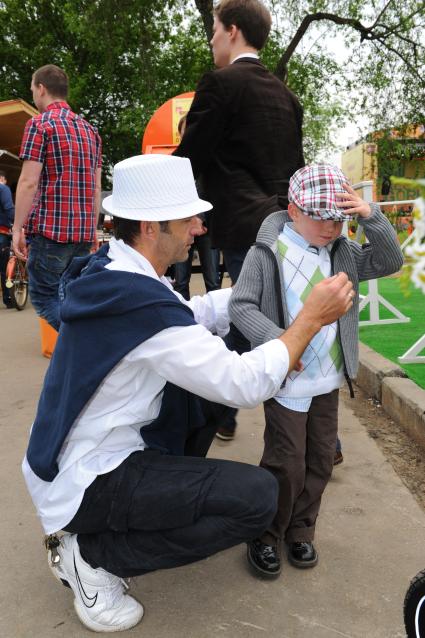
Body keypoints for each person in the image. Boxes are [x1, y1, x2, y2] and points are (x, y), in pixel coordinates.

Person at [22, 154, 354, 633]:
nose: (200, 227)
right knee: (257, 498)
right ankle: (92, 559)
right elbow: (243, 383)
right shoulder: (138, 301)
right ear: (154, 228)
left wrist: (253, 292)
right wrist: (305, 322)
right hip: (88, 475)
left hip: (79, 453)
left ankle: (129, 518)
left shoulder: (121, 272)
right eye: (190, 218)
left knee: (230, 342)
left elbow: (189, 315)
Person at [229, 164, 404, 578]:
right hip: (287, 379)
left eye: (338, 216)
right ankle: (266, 533)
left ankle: (301, 530)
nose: (331, 226)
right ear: (293, 211)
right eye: (320, 215)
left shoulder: (342, 252)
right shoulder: (267, 253)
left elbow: (391, 260)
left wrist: (368, 215)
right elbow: (241, 305)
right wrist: (279, 343)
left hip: (327, 381)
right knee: (285, 461)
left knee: (322, 459)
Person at [175, 0, 304, 440]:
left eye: (213, 30)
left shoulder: (220, 84)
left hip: (242, 224)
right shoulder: (288, 97)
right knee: (269, 317)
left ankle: (207, 417)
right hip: (286, 227)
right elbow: (296, 170)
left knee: (249, 320)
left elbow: (188, 157)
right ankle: (222, 414)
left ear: (232, 30)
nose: (210, 39)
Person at [12, 64, 102, 331]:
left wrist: (17, 228)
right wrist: (94, 227)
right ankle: (79, 355)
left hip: (51, 232)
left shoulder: (40, 125)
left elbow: (28, 182)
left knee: (43, 296)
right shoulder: (90, 131)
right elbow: (96, 187)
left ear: (41, 88)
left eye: (32, 90)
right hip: (83, 234)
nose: (32, 96)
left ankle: (84, 347)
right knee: (70, 297)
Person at [174, 115, 220, 299]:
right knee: (180, 281)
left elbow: (211, 191)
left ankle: (218, 326)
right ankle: (182, 319)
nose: (189, 132)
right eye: (185, 129)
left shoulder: (209, 158)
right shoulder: (175, 162)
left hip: (206, 228)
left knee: (213, 281)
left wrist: (200, 218)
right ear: (180, 134)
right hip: (181, 228)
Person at [0, 170, 15, 308]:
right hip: (1, 232)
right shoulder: (3, 188)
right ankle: (7, 298)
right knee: (4, 267)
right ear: (2, 178)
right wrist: (17, 224)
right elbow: (9, 208)